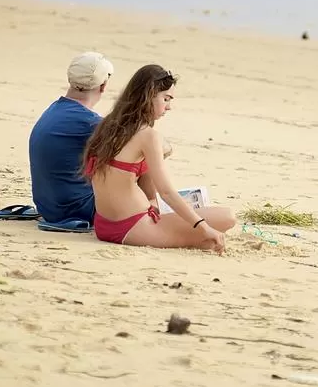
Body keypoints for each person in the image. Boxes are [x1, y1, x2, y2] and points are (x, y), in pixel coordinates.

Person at [83, 64, 235, 252]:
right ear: (148, 96)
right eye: (166, 99)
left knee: (192, 217)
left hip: (104, 224)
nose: (168, 107)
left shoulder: (108, 126)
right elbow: (167, 193)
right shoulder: (147, 136)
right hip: (133, 227)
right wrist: (204, 227)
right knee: (227, 217)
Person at [28, 52, 114, 225]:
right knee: (138, 156)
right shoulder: (90, 122)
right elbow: (140, 142)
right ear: (103, 85)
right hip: (77, 210)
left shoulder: (54, 109)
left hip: (49, 208)